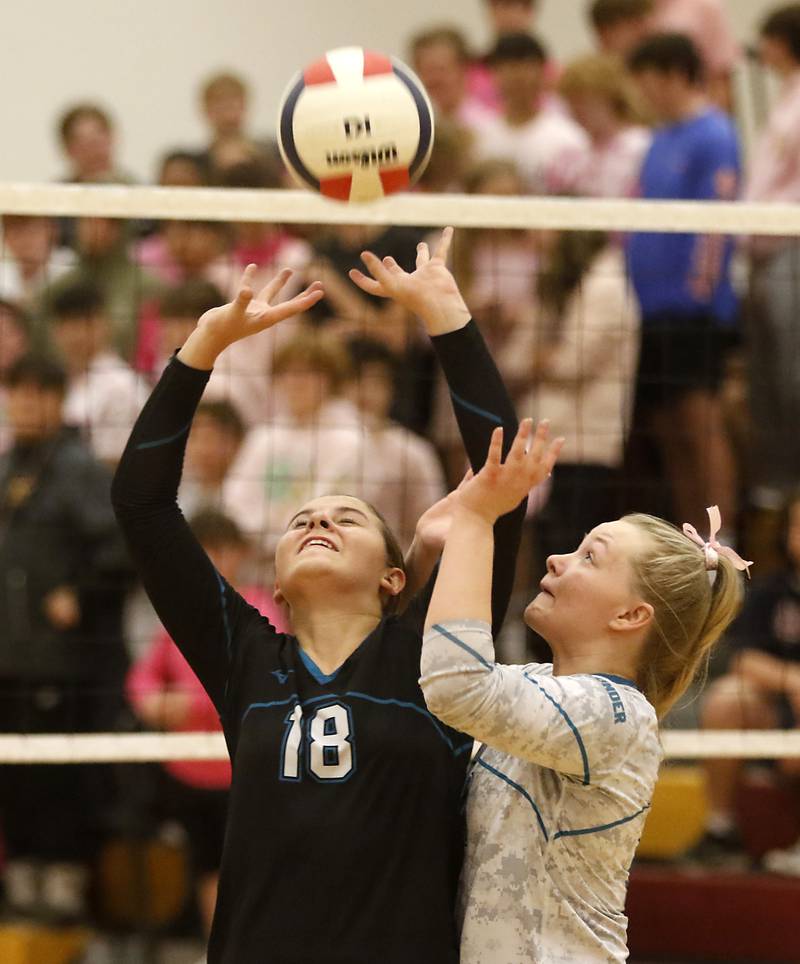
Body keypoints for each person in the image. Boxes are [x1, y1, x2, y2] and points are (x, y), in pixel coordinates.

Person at [111, 229, 526, 963]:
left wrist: (447, 318)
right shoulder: (247, 659)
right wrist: (202, 347)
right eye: (302, 518)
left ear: (393, 577)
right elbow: (143, 504)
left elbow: (503, 486)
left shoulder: (435, 658)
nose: (318, 519)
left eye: (349, 516)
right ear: (274, 583)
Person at [419, 423, 748, 962]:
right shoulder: (533, 684)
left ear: (631, 615)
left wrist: (477, 521)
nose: (557, 560)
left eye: (589, 557)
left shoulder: (617, 716)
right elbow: (432, 679)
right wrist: (424, 551)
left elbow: (457, 686)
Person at [0, 354, 130, 922]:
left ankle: (65, 884)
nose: (25, 405)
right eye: (17, 394)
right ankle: (25, 880)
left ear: (58, 401)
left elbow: (123, 547)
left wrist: (79, 592)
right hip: (11, 658)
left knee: (61, 776)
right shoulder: (8, 468)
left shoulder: (78, 468)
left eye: (37, 394)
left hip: (66, 663)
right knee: (17, 775)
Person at [127, 509, 286, 940]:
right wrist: (153, 702)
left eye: (221, 550)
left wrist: (189, 703)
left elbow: (260, 679)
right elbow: (141, 676)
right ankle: (219, 948)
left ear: (240, 553)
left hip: (244, 768)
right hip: (189, 771)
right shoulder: (181, 610)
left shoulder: (260, 607)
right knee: (207, 868)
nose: (213, 560)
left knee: (250, 870)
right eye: (203, 551)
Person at [627, 33, 740, 532]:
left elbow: (717, 220)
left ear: (672, 74)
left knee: (700, 425)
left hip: (692, 312)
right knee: (666, 428)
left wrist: (700, 291)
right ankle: (691, 542)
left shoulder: (714, 134)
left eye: (647, 81)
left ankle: (723, 543)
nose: (642, 93)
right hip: (648, 309)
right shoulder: (658, 138)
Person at [695, 489, 800, 869]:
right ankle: (720, 829)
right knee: (727, 697)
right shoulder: (772, 590)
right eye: (799, 527)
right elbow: (745, 660)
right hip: (780, 714)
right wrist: (791, 681)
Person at [743, 4, 800, 512]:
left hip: (792, 248)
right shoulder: (787, 95)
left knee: (792, 374)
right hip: (763, 247)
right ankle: (780, 488)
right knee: (768, 383)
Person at [345, 336, 447, 549]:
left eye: (377, 381)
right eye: (355, 379)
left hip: (394, 567)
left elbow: (433, 526)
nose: (366, 390)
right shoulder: (323, 442)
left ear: (392, 388)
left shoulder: (415, 450)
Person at [50, 278, 149, 465]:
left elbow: (118, 463)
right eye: (67, 324)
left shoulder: (122, 385)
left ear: (105, 324)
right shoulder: (58, 380)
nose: (76, 334)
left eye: (85, 323)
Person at [474, 33, 588, 195]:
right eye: (504, 67)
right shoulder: (481, 136)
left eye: (523, 66)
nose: (514, 75)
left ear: (542, 72)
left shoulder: (567, 138)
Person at [555, 53, 652, 198]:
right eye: (571, 101)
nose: (577, 109)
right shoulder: (572, 153)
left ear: (610, 97)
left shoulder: (641, 146)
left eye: (583, 100)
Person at [409, 27, 495, 139]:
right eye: (427, 71)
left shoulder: (486, 127)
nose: (435, 79)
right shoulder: (415, 128)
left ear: (464, 69)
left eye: (441, 69)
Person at [589, 0, 655, 58]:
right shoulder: (589, 71)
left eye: (644, 21)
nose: (645, 30)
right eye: (633, 23)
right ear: (605, 33)